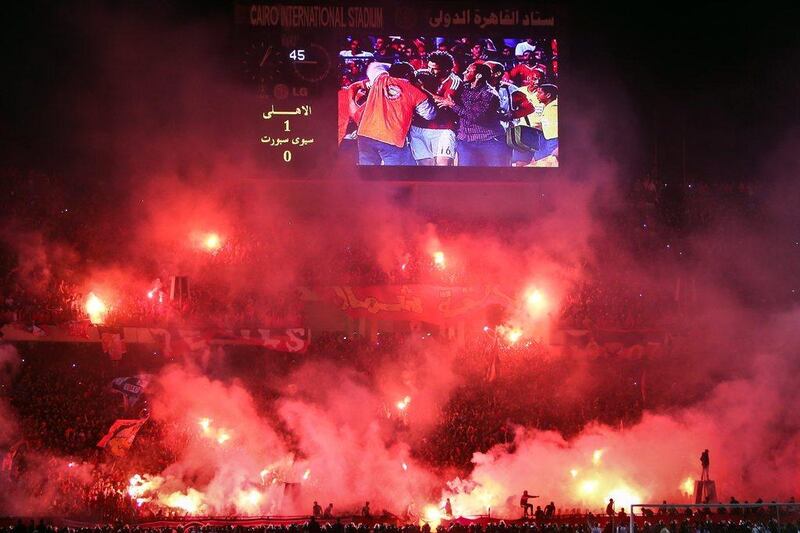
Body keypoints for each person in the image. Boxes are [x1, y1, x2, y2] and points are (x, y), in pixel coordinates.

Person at [355, 62, 436, 165]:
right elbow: (430, 114)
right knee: (398, 175)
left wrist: (392, 67)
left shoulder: (380, 79)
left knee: (367, 173)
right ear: (409, 75)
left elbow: (374, 65)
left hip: (365, 135)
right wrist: (423, 90)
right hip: (392, 139)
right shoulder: (416, 92)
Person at [433, 62, 508, 166]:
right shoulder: (463, 88)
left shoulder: (489, 94)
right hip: (465, 142)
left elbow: (476, 117)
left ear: (478, 76)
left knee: (495, 176)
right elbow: (447, 100)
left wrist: (453, 105)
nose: (464, 73)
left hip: (489, 141)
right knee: (467, 177)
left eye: (468, 71)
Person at [409, 50, 461, 166]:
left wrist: (422, 89)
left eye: (434, 68)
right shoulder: (421, 74)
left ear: (447, 69)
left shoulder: (454, 82)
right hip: (418, 128)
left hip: (443, 129)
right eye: (429, 67)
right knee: (425, 167)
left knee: (443, 166)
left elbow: (443, 102)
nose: (430, 71)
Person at [530, 83, 558, 166]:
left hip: (553, 142)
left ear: (548, 95)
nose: (536, 95)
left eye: (539, 93)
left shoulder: (555, 107)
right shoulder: (547, 107)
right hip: (543, 140)